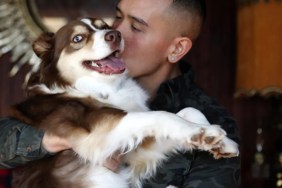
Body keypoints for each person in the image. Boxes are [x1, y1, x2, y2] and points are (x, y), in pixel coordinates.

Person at [0, 0, 240, 187]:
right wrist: (53, 138)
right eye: (117, 18)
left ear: (177, 48)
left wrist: (183, 124)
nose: (117, 33)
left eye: (136, 26)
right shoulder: (67, 93)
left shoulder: (215, 118)